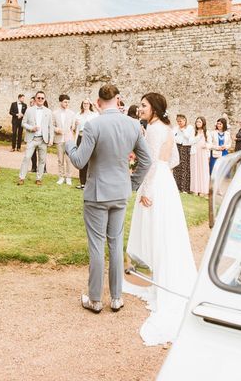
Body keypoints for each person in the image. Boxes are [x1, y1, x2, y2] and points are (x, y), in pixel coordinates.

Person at [65, 84, 151, 314]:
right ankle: (115, 297)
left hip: (97, 194)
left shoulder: (93, 125)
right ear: (119, 99)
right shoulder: (133, 125)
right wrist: (132, 184)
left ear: (97, 102)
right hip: (120, 193)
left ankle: (94, 299)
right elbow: (146, 160)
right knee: (115, 244)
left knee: (96, 246)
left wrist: (68, 144)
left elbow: (79, 161)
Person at [124, 92, 196, 345]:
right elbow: (172, 160)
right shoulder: (167, 127)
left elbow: (152, 163)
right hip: (167, 183)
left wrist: (146, 190)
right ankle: (161, 279)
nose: (140, 108)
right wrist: (162, 176)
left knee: (156, 230)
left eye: (143, 105)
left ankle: (159, 282)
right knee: (166, 231)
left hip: (155, 183)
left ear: (153, 108)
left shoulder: (154, 129)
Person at [17, 90, 53, 185]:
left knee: (42, 160)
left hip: (43, 139)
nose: (40, 99)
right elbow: (23, 123)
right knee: (26, 157)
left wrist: (51, 139)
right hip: (31, 138)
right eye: (38, 98)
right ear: (35, 99)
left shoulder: (48, 112)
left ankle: (39, 179)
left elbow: (50, 127)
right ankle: (21, 177)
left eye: (42, 98)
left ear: (44, 99)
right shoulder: (29, 110)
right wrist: (31, 128)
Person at [73, 99, 99, 189]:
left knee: (90, 160)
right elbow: (74, 129)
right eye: (84, 103)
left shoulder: (94, 115)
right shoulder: (78, 115)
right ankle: (82, 182)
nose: (86, 105)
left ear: (90, 104)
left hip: (89, 138)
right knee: (81, 160)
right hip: (80, 137)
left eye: (87, 103)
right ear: (82, 104)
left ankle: (89, 182)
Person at [53, 94, 76, 185]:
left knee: (68, 159)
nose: (67, 103)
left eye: (68, 102)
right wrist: (56, 129)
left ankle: (68, 177)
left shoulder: (72, 113)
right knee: (60, 159)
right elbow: (52, 125)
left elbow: (73, 126)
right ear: (60, 102)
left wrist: (74, 126)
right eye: (65, 102)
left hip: (68, 140)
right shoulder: (54, 113)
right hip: (59, 139)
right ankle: (61, 177)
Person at [189, 116, 210, 197]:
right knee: (195, 170)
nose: (198, 123)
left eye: (200, 122)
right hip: (195, 153)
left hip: (203, 153)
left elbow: (210, 143)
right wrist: (198, 136)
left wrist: (207, 145)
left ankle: (202, 190)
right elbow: (191, 141)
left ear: (203, 123)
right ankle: (195, 189)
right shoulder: (193, 131)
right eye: (197, 121)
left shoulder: (206, 132)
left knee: (203, 171)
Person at [172, 114, 192, 193]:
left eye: (180, 121)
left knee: (185, 167)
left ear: (184, 120)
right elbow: (173, 137)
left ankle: (185, 188)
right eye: (177, 121)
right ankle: (177, 187)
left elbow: (188, 137)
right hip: (177, 147)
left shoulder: (190, 128)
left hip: (185, 148)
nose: (179, 123)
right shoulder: (175, 128)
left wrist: (183, 130)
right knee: (177, 166)